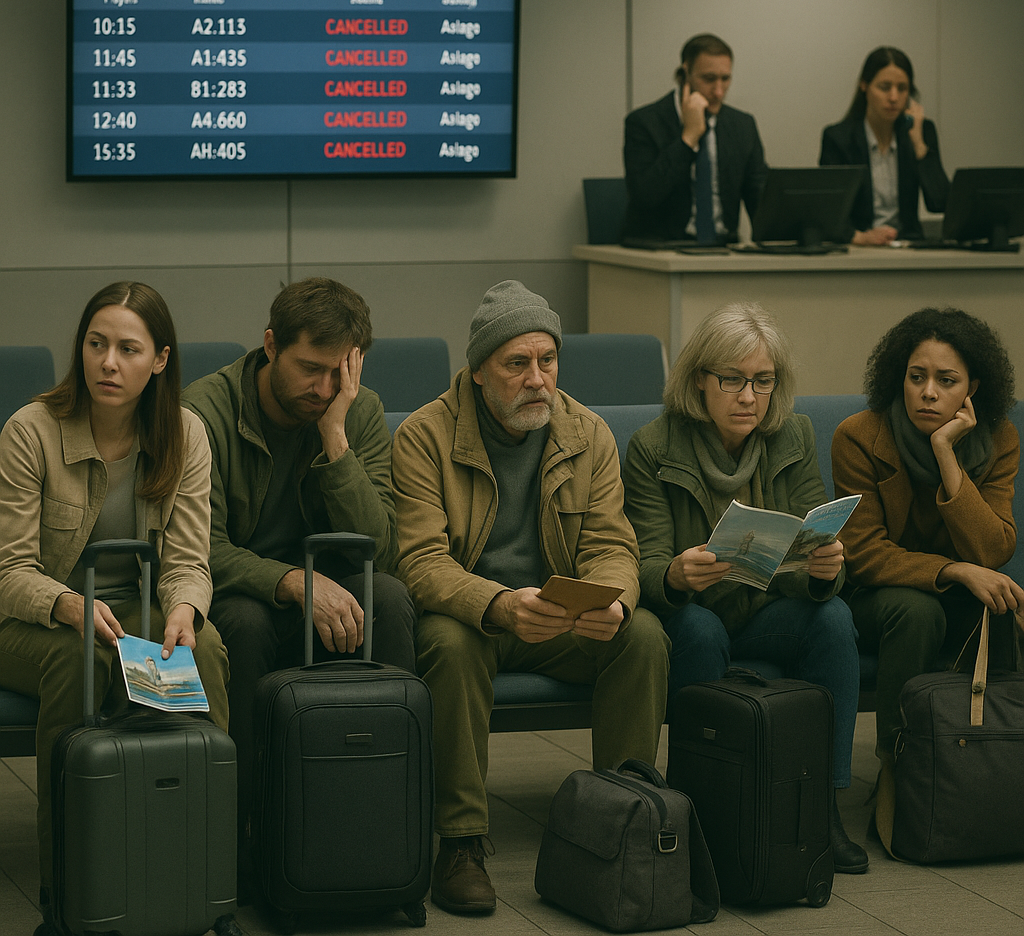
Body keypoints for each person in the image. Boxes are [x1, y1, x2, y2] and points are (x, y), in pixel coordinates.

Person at [391, 280, 669, 915]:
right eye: (518, 364)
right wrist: (497, 603)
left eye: (548, 361)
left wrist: (614, 601)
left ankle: (619, 821)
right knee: (448, 644)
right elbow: (419, 561)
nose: (537, 379)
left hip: (558, 619)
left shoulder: (586, 432)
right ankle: (460, 842)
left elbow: (612, 544)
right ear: (481, 370)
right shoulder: (425, 436)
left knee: (644, 634)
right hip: (477, 619)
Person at [0, 281, 230, 936]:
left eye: (127, 349)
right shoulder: (31, 430)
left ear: (159, 360)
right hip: (34, 615)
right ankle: (68, 891)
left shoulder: (185, 432)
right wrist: (68, 605)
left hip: (132, 607)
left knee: (204, 649)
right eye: (96, 344)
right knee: (79, 662)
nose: (107, 362)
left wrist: (186, 609)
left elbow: (187, 560)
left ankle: (207, 882)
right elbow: (9, 571)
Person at [181, 276, 416, 890]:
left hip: (329, 594)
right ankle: (249, 831)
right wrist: (289, 580)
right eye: (310, 369)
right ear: (269, 346)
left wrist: (335, 438)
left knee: (388, 597)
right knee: (244, 623)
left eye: (339, 373)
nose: (323, 388)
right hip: (240, 594)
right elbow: (198, 547)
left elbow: (380, 548)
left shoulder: (355, 410)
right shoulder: (204, 411)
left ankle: (389, 818)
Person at [623, 301, 867, 874]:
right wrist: (676, 575)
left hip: (767, 607)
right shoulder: (654, 447)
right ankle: (706, 811)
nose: (748, 397)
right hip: (694, 611)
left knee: (834, 620)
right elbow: (644, 563)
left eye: (762, 381)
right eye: (732, 380)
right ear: (699, 381)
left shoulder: (794, 435)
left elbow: (815, 540)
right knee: (700, 629)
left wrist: (828, 570)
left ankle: (822, 809)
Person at [832, 308, 1023, 778]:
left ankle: (987, 763)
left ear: (972, 388)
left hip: (962, 592)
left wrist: (946, 454)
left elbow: (993, 549)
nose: (929, 392)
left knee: (1000, 606)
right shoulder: (859, 437)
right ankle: (900, 765)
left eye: (946, 380)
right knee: (917, 611)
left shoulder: (998, 438)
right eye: (916, 377)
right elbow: (863, 552)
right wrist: (952, 570)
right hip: (876, 595)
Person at [622, 33, 767, 244]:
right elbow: (645, 195)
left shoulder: (742, 125)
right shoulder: (644, 122)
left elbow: (759, 198)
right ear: (685, 74)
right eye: (709, 79)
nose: (718, 92)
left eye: (725, 79)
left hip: (723, 248)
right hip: (661, 247)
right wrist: (688, 139)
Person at [819, 46, 949, 245]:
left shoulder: (921, 131)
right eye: (885, 87)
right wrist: (861, 237)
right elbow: (829, 210)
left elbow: (939, 202)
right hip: (860, 247)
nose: (894, 98)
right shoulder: (839, 138)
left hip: (909, 246)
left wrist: (920, 147)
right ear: (865, 86)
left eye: (902, 89)